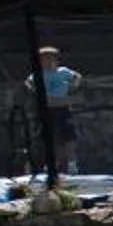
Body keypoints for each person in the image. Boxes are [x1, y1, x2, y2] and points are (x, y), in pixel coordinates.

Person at [26, 44, 85, 175]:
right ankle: (53, 162)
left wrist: (74, 85)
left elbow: (77, 76)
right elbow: (28, 82)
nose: (46, 61)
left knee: (69, 136)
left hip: (63, 108)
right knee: (49, 137)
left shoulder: (63, 71)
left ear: (55, 59)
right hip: (46, 109)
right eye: (43, 59)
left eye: (49, 58)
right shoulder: (38, 74)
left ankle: (72, 163)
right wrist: (35, 90)